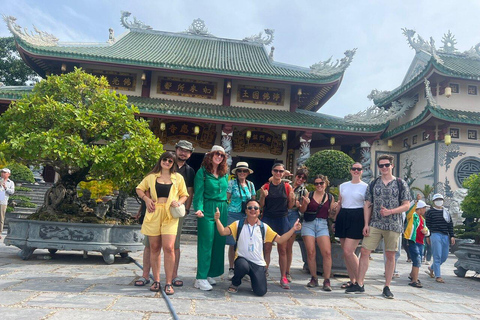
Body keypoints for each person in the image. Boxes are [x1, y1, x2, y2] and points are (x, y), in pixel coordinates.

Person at [347, 154, 411, 299]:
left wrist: (391, 211)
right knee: (364, 251)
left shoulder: (401, 183)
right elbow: (367, 204)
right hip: (375, 222)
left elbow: (406, 205)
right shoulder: (374, 183)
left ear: (392, 166)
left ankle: (387, 286)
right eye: (381, 165)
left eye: (386, 165)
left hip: (394, 224)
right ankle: (360, 283)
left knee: (390, 255)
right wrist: (366, 224)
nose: (384, 168)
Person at [214, 199, 302, 296]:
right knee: (242, 265)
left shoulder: (264, 227)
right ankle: (235, 282)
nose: (253, 210)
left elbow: (280, 240)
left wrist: (293, 229)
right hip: (242, 260)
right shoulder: (238, 224)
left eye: (256, 208)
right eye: (250, 208)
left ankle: (254, 279)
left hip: (258, 263)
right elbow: (223, 232)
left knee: (261, 291)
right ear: (246, 211)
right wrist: (217, 220)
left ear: (259, 211)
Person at [136, 151, 189, 295]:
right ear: (160, 161)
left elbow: (185, 195)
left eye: (170, 161)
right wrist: (147, 200)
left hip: (170, 214)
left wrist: (178, 202)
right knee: (154, 247)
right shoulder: (151, 177)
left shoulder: (178, 178)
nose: (167, 162)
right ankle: (157, 280)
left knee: (169, 247)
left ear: (173, 163)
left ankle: (169, 282)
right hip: (154, 212)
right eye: (164, 160)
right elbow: (139, 189)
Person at [193, 145, 229, 291]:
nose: (219, 156)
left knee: (219, 242)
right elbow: (198, 193)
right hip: (208, 207)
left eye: (222, 155)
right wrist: (199, 208)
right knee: (206, 242)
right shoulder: (202, 172)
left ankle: (210, 273)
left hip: (222, 207)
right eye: (217, 154)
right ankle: (200, 277)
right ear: (210, 155)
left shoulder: (224, 173)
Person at [259, 163, 295, 289]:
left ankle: (283, 276)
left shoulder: (287, 187)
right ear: (272, 171)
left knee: (282, 249)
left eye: (281, 171)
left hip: (282, 219)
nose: (278, 173)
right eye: (276, 171)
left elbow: (290, 207)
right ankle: (263, 273)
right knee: (267, 248)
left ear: (283, 172)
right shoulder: (266, 186)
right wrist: (263, 196)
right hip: (268, 219)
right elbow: (261, 205)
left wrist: (292, 199)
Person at [299, 174, 336, 291]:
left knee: (327, 252)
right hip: (309, 223)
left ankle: (327, 279)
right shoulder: (309, 194)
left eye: (321, 183)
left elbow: (330, 215)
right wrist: (305, 203)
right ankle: (314, 277)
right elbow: (302, 210)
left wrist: (334, 210)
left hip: (322, 224)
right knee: (310, 252)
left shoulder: (330, 197)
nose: (319, 185)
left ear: (325, 184)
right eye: (316, 183)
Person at [333, 162, 367, 290]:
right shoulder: (343, 186)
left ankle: (360, 281)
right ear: (350, 170)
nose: (356, 171)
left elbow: (367, 206)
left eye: (359, 169)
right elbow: (340, 203)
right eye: (354, 169)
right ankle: (352, 280)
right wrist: (336, 221)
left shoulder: (365, 187)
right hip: (343, 216)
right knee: (345, 252)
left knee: (349, 251)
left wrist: (366, 223)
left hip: (357, 216)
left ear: (362, 171)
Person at [172, 140, 196, 287]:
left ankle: (174, 274)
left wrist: (187, 209)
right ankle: (148, 275)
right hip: (160, 208)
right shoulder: (166, 163)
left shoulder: (189, 171)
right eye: (181, 150)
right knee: (153, 244)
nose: (183, 153)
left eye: (187, 151)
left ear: (190, 154)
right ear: (176, 149)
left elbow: (189, 191)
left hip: (177, 210)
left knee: (175, 244)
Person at [226, 162, 256, 280]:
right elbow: (226, 198)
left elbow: (253, 201)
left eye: (244, 171)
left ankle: (244, 269)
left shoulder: (250, 185)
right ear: (236, 173)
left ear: (248, 173)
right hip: (233, 213)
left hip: (246, 215)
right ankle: (231, 268)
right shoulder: (231, 183)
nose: (242, 173)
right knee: (233, 243)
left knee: (245, 242)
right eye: (239, 171)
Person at [425, 193, 455, 283]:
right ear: (434, 201)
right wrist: (428, 236)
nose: (439, 201)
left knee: (444, 256)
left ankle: (432, 268)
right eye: (437, 199)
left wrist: (452, 235)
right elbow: (428, 225)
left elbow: (450, 224)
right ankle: (438, 276)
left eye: (440, 199)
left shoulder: (446, 212)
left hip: (445, 235)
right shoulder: (430, 212)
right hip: (435, 234)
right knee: (437, 255)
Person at [285, 167, 309, 283]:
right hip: (282, 213)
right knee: (281, 243)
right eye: (299, 176)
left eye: (303, 178)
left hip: (294, 215)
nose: (300, 179)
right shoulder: (286, 184)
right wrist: (284, 173)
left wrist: (301, 205)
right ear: (295, 176)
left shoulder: (304, 191)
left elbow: (304, 210)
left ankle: (287, 271)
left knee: (289, 245)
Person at [404, 199, 429, 288]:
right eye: (424, 208)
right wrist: (415, 202)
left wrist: (426, 232)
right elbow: (409, 210)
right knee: (417, 260)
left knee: (417, 259)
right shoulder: (412, 216)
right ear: (419, 208)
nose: (425, 210)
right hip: (413, 241)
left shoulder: (422, 219)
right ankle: (414, 280)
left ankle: (412, 275)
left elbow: (426, 229)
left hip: (421, 242)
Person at [0, 168, 15, 239]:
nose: (3, 174)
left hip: (3, 199)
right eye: (2, 172)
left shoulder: (10, 182)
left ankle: (0, 232)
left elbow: (12, 191)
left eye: (4, 172)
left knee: (1, 217)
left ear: (8, 174)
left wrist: (5, 188)